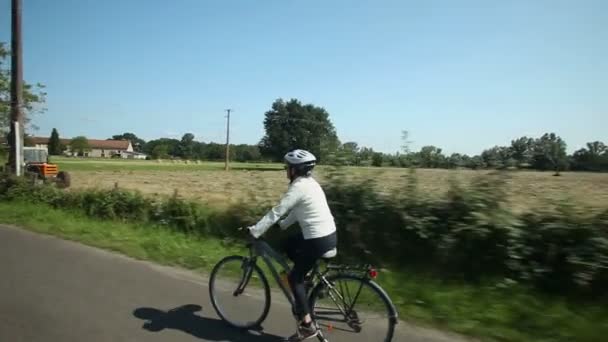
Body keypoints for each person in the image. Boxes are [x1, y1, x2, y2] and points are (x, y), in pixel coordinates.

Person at [247, 149, 337, 341]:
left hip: (317, 240)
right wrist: (284, 225)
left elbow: (277, 211)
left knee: (293, 277)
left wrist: (256, 230)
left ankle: (306, 326)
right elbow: (298, 210)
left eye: (287, 167)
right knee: (288, 243)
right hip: (329, 235)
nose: (286, 170)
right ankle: (306, 281)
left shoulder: (297, 187)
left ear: (295, 169)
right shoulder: (311, 184)